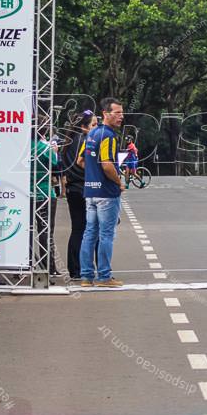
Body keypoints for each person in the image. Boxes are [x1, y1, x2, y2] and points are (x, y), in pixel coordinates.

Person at [80, 98, 126, 288]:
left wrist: (93, 175)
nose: (121, 116)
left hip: (90, 192)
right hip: (106, 193)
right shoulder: (108, 135)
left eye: (122, 113)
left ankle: (86, 277)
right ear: (106, 114)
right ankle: (105, 276)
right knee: (106, 235)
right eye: (117, 113)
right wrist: (119, 182)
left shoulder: (92, 133)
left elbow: (80, 161)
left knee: (89, 233)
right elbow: (107, 165)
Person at [62, 110, 97, 280]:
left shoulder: (68, 142)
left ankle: (74, 269)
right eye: (94, 125)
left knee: (77, 229)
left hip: (72, 189)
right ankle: (85, 267)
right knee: (91, 230)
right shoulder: (87, 142)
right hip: (85, 189)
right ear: (84, 127)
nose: (97, 128)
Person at [32, 118, 60, 277]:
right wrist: (54, 151)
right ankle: (48, 267)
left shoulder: (21, 147)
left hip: (26, 195)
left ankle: (25, 264)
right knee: (45, 231)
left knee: (26, 231)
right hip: (44, 194)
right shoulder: (45, 148)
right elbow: (56, 165)